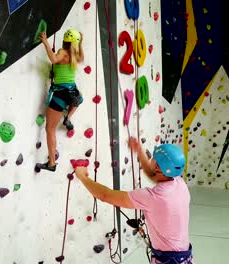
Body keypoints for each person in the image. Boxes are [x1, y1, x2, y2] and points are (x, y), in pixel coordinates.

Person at [74, 137, 194, 263]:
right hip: (183, 258)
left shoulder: (154, 197)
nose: (151, 159)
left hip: (167, 260)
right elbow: (155, 175)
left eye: (153, 158)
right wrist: (139, 151)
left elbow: (106, 195)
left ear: (158, 167)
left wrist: (82, 176)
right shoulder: (179, 184)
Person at [36, 29, 85, 172]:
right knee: (79, 99)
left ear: (65, 41)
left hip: (60, 93)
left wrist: (45, 42)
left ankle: (51, 163)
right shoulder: (76, 55)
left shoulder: (63, 52)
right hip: (72, 90)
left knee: (50, 129)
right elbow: (61, 66)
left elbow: (54, 59)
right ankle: (68, 118)